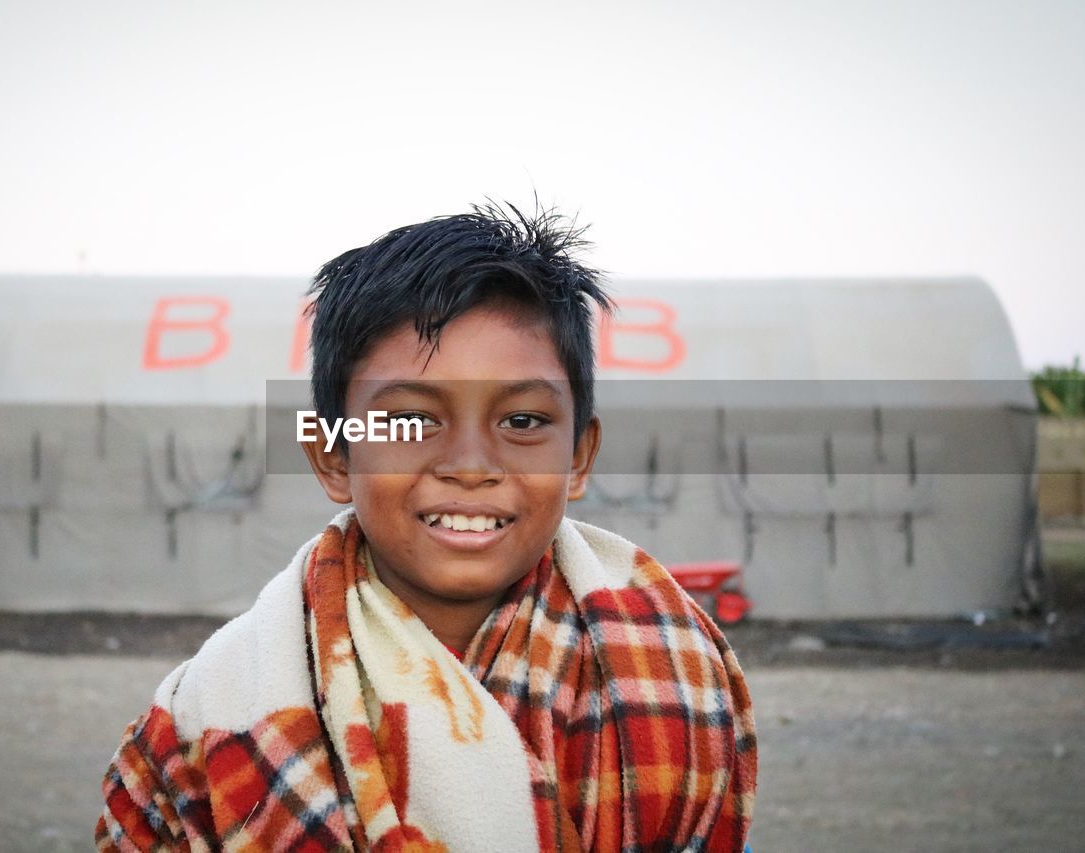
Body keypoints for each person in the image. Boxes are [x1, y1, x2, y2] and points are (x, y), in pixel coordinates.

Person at [95, 202, 758, 851]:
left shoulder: (675, 679)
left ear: (579, 457)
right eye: (410, 421)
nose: (470, 466)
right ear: (333, 456)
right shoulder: (210, 713)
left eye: (522, 421)